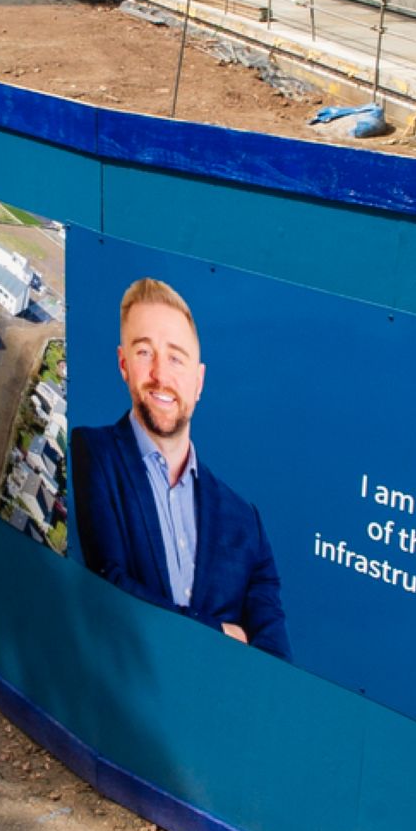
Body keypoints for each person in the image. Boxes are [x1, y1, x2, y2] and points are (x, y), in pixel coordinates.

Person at [70, 276, 286, 656]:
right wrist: (218, 633)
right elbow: (111, 585)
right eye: (144, 353)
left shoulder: (245, 521)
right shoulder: (93, 452)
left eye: (175, 357)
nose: (160, 375)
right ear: (123, 363)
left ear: (198, 382)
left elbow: (274, 655)